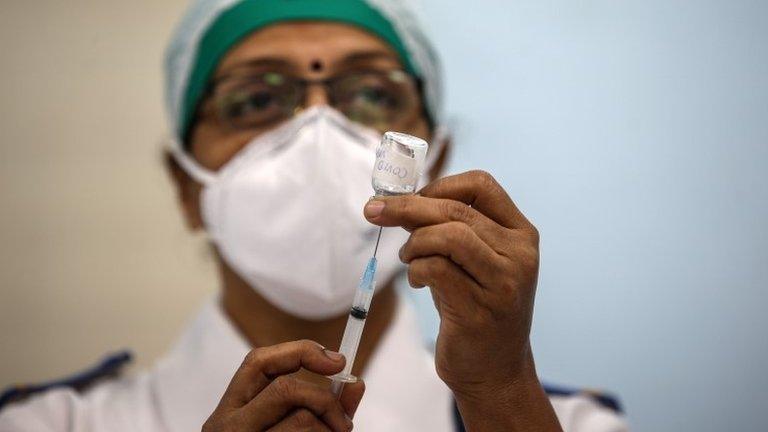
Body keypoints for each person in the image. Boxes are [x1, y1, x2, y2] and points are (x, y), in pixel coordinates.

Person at [0, 1, 630, 431]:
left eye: (373, 94)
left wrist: (500, 394)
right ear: (185, 186)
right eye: (255, 99)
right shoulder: (51, 424)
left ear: (437, 160)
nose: (316, 128)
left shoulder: (558, 422)